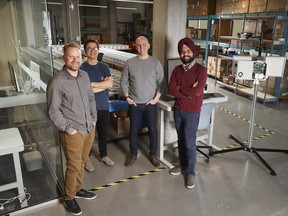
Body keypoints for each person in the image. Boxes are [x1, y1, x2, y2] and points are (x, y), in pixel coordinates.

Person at [47, 42, 97, 215]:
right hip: (73, 132)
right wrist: (68, 129)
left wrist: (94, 119)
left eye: (78, 56)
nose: (75, 59)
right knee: (74, 165)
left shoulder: (84, 75)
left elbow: (91, 98)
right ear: (64, 58)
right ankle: (69, 197)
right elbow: (53, 111)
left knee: (82, 162)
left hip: (88, 128)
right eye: (71, 56)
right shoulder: (57, 82)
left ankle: (78, 189)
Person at [168, 37, 207, 189]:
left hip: (192, 112)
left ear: (193, 52)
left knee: (190, 142)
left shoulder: (201, 70)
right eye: (183, 51)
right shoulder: (177, 69)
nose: (185, 54)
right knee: (180, 139)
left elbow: (197, 92)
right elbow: (171, 90)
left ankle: (191, 173)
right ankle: (183, 165)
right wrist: (188, 90)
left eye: (188, 51)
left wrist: (180, 88)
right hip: (178, 110)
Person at [120, 36, 164, 167]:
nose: (142, 47)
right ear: (135, 46)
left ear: (149, 46)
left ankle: (153, 154)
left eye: (144, 44)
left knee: (152, 130)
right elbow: (123, 81)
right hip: (134, 103)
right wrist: (127, 97)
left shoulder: (155, 63)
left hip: (150, 104)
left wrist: (155, 99)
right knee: (133, 130)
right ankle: (133, 154)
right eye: (139, 45)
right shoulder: (130, 63)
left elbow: (161, 82)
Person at [81, 39, 114, 171]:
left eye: (95, 48)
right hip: (88, 109)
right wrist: (101, 84)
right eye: (89, 48)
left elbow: (110, 84)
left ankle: (104, 155)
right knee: (88, 135)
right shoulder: (82, 68)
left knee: (103, 133)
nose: (93, 50)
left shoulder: (104, 67)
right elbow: (83, 89)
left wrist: (92, 84)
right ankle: (86, 158)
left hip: (103, 106)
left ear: (98, 50)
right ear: (85, 51)